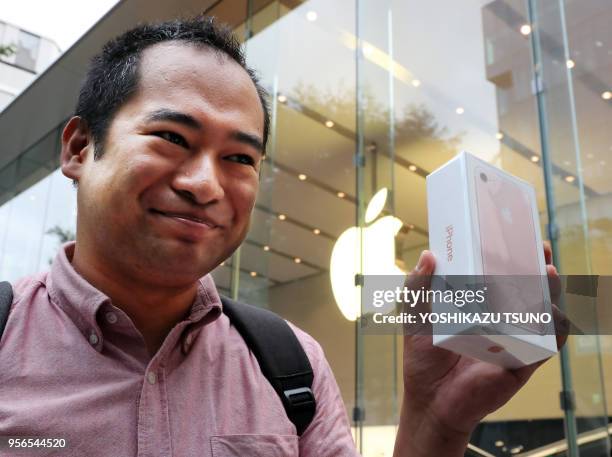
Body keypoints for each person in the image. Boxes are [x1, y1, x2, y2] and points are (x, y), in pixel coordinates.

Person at [0, 16, 565, 457]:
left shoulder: (290, 363)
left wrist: (435, 422)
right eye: (171, 136)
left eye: (239, 157)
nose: (204, 184)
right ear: (78, 148)